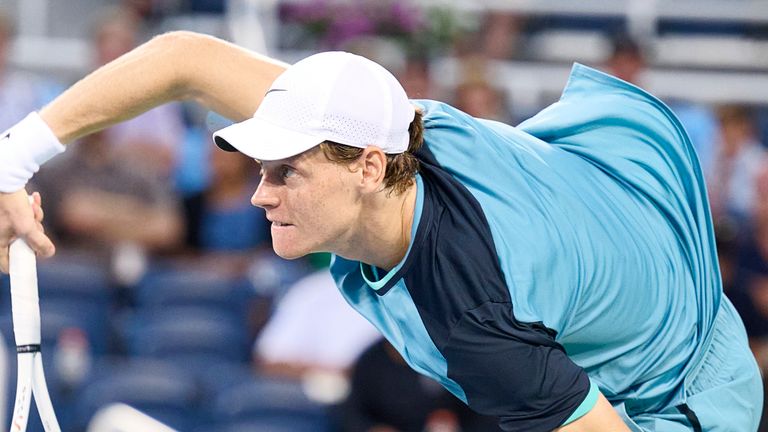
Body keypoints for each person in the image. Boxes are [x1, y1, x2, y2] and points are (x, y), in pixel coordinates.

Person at [0, 31, 761, 431]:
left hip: (675, 390)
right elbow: (183, 58)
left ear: (368, 166)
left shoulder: (471, 316)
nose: (259, 196)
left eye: (285, 172)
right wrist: (14, 156)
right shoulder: (395, 128)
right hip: (619, 198)